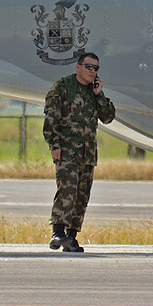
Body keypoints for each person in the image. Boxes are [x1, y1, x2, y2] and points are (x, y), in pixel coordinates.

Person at [43, 51, 116, 253]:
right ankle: (57, 231)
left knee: (82, 195)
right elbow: (51, 119)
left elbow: (108, 117)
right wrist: (54, 145)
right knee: (67, 190)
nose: (92, 71)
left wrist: (99, 94)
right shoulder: (63, 87)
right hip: (67, 152)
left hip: (87, 154)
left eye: (96, 68)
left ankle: (71, 237)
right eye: (89, 67)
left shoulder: (93, 92)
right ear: (78, 67)